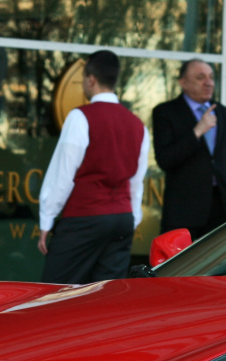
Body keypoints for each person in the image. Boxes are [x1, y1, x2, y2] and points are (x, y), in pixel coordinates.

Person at [37, 50, 149, 284]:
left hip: (85, 217)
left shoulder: (81, 117)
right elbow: (136, 181)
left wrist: (47, 219)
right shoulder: (138, 125)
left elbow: (63, 174)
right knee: (106, 298)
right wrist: (132, 218)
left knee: (56, 292)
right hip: (121, 218)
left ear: (91, 79)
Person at [152, 59, 226, 238]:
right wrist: (197, 131)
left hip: (222, 206)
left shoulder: (221, 112)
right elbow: (165, 159)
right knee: (179, 265)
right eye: (201, 77)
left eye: (211, 77)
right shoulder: (165, 112)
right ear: (183, 82)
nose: (209, 82)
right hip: (184, 210)